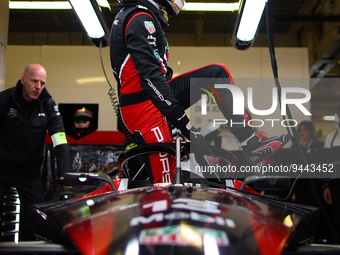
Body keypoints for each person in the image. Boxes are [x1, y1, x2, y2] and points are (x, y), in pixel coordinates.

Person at [110, 0, 291, 184]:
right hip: (145, 108)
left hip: (152, 99)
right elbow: (150, 78)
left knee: (218, 74)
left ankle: (251, 143)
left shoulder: (137, 14)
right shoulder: (140, 17)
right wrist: (187, 128)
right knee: (164, 184)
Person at [0, 64, 72, 241]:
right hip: (1, 169)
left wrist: (66, 176)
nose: (38, 86)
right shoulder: (4, 100)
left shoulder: (48, 106)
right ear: (23, 80)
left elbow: (60, 140)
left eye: (42, 82)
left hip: (29, 174)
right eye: (34, 81)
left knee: (35, 219)